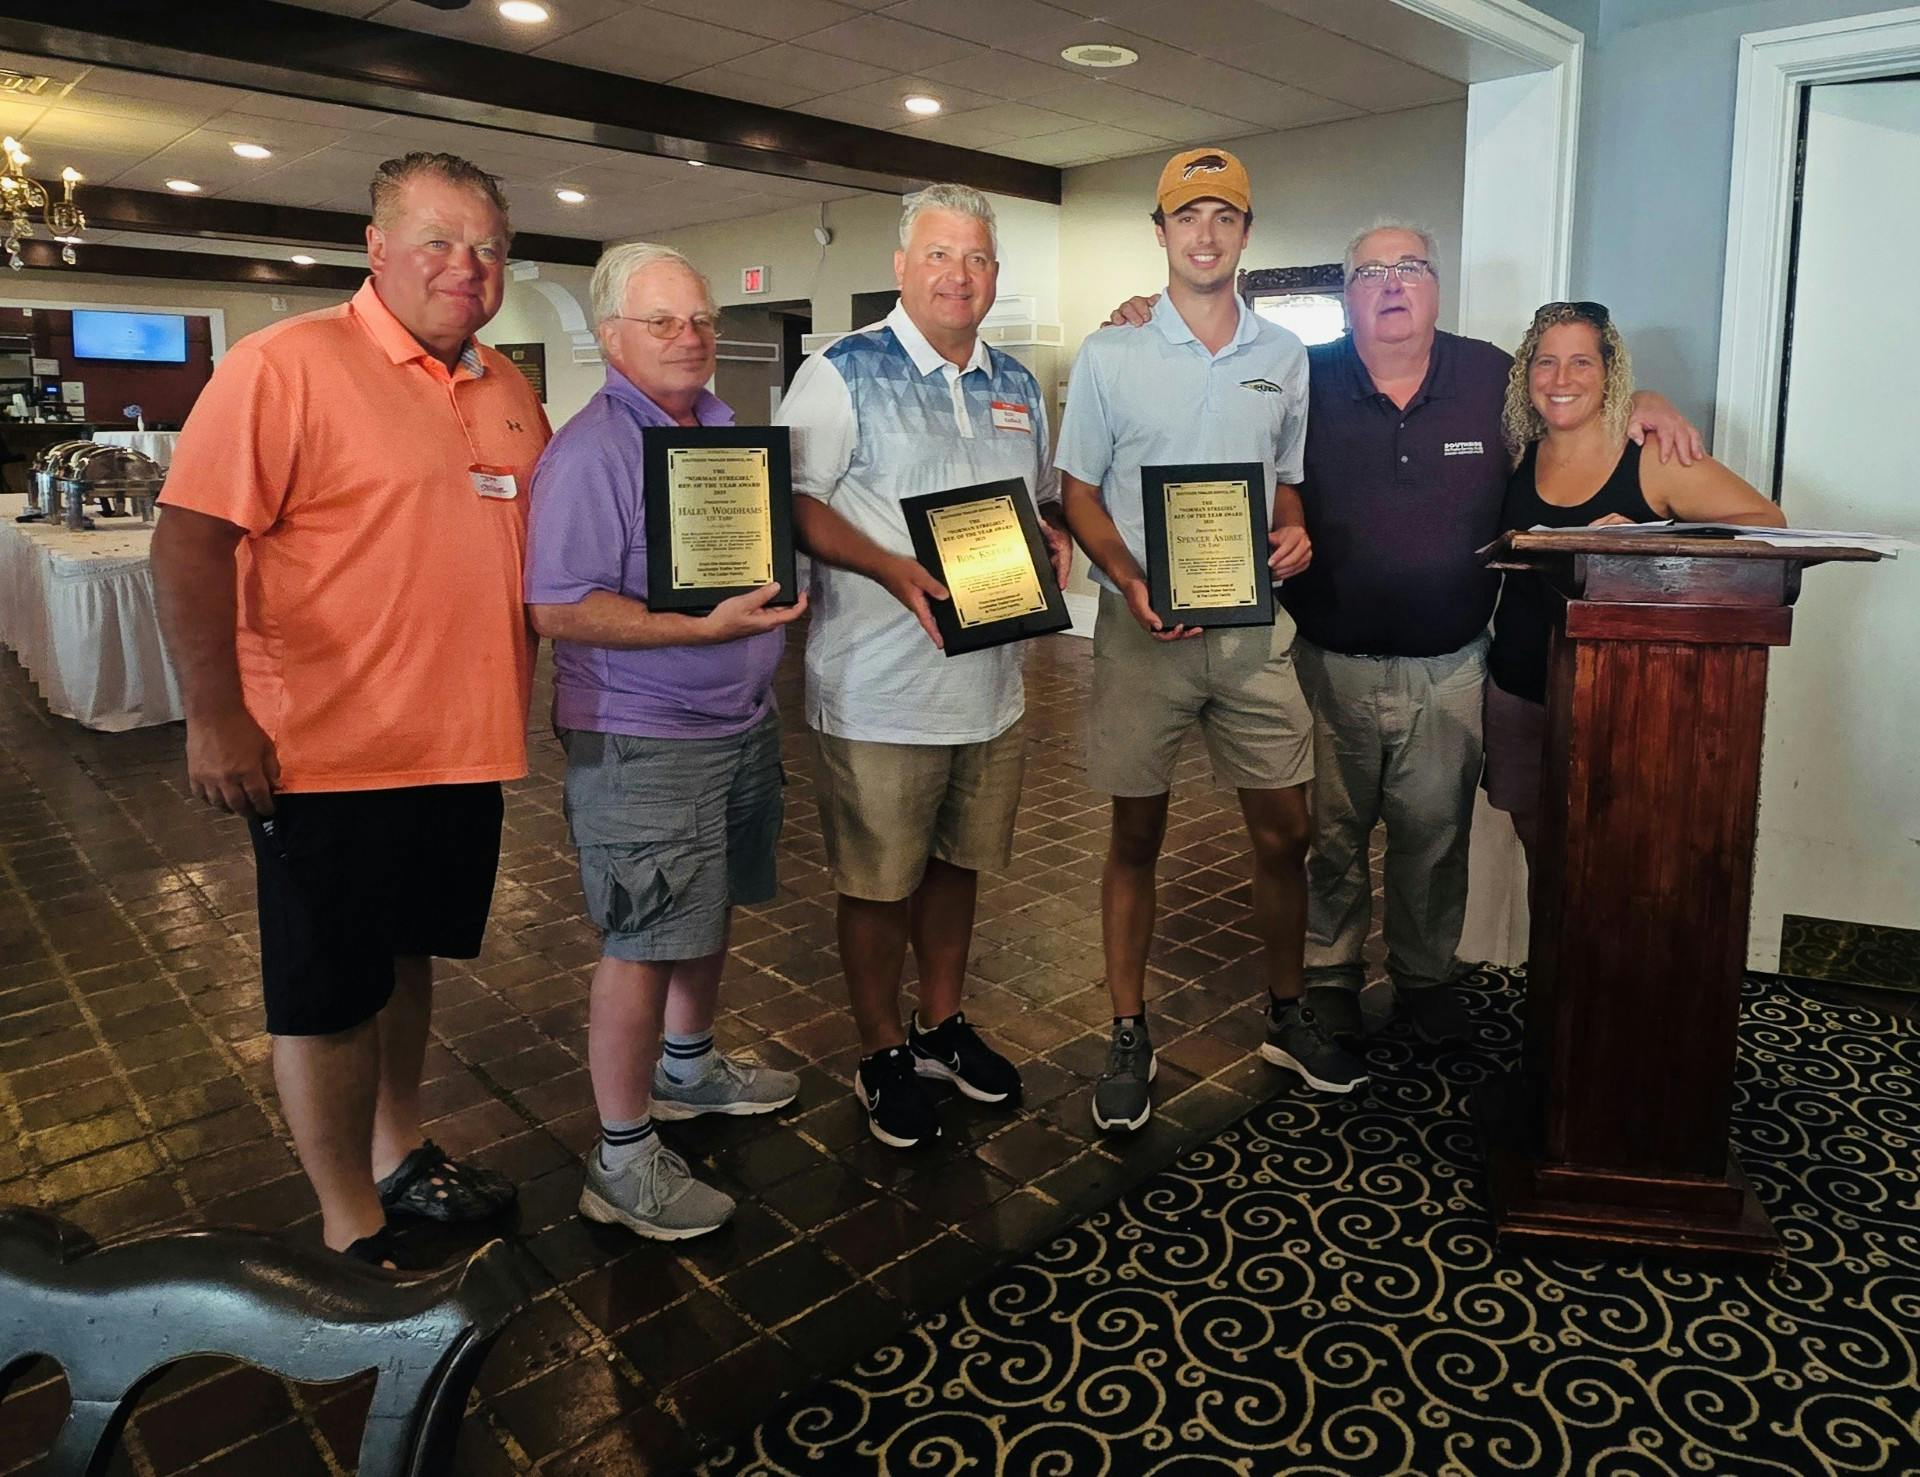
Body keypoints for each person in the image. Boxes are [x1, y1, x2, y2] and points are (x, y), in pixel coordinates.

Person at [1108, 223, 1700, 1051]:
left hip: (1452, 666)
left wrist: (1646, 400)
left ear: (1435, 285)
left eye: (1410, 268)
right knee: (1332, 838)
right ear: (1347, 293)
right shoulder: (1297, 374)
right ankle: (1331, 976)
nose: (1392, 284)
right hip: (1323, 660)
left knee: (1434, 838)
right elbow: (1206, 403)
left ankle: (1423, 978)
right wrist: (1142, 319)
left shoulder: (1491, 376)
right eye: (1371, 271)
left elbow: (1575, 401)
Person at [152, 153, 548, 1266]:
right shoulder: (286, 366)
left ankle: (401, 1150)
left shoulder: (508, 388)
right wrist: (213, 712)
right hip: (323, 750)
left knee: (406, 959)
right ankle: (349, 1221)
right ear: (376, 249)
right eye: (439, 241)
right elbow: (188, 540)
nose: (466, 267)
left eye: (488, 248)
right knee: (327, 994)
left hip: (464, 744)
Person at [1057, 148, 1362, 1134]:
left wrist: (1294, 523)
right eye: (1186, 217)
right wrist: (1133, 582)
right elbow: (1080, 494)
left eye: (1223, 217)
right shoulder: (1111, 354)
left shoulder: (1283, 357)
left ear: (1245, 232)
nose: (1204, 233)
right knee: (1134, 836)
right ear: (1160, 234)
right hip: (1142, 629)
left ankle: (1284, 1013)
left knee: (1287, 830)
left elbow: (1283, 478)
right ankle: (1128, 1031)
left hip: (1249, 632)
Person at [775, 183, 1073, 1150]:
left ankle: (940, 1026)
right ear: (901, 267)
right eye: (940, 255)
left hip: (989, 686)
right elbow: (796, 502)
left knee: (957, 868)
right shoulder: (842, 371)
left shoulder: (1018, 383)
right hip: (879, 685)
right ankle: (878, 1050)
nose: (960, 274)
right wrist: (888, 564)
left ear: (995, 276)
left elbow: (1029, 504)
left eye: (978, 258)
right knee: (877, 882)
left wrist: (1053, 535)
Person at [523, 244, 806, 1241]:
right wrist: (702, 630)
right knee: (642, 938)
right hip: (643, 738)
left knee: (704, 905)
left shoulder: (723, 433)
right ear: (611, 338)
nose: (689, 338)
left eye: (700, 319)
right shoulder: (592, 450)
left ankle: (688, 1069)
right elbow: (558, 609)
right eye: (662, 322)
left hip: (736, 722)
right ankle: (622, 1151)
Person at [1485, 301, 1786, 868]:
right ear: (1526, 377)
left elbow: (1769, 527)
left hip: (1622, 699)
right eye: (1544, 363)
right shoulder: (1518, 456)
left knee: (1616, 859)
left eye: (1582, 363)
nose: (1562, 380)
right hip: (1519, 688)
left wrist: (1654, 540)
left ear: (1609, 372)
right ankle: (1553, 962)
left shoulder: (1653, 458)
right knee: (1540, 853)